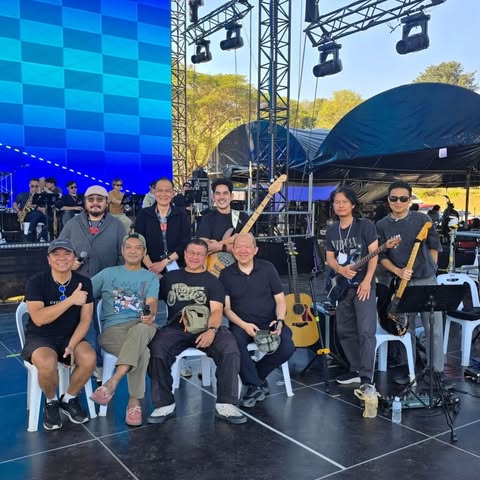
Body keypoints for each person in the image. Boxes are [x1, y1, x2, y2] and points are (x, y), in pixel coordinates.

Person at [147, 239, 247, 425]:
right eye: (191, 253)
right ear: (185, 254)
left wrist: (212, 330)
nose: (195, 257)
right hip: (176, 329)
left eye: (200, 254)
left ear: (206, 256)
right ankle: (164, 404)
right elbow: (151, 298)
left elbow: (217, 311)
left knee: (229, 347)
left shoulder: (213, 281)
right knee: (157, 348)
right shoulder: (170, 278)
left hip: (206, 327)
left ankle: (226, 404)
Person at [21, 238, 96, 430]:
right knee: (47, 362)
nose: (62, 258)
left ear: (74, 258)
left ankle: (69, 398)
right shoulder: (36, 282)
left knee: (89, 358)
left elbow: (86, 320)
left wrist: (72, 345)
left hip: (70, 336)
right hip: (40, 337)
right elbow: (39, 318)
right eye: (56, 254)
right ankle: (51, 401)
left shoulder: (84, 282)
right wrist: (71, 300)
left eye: (67, 254)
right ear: (49, 259)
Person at [376, 181, 446, 384]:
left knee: (434, 328)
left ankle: (436, 372)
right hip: (400, 283)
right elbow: (381, 256)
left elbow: (434, 246)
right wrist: (397, 271)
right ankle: (411, 372)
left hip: (426, 280)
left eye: (403, 198)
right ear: (388, 200)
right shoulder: (381, 225)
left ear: (409, 199)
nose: (398, 202)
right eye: (394, 198)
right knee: (406, 328)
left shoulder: (422, 219)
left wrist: (431, 269)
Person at [90, 233, 159, 427]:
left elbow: (152, 302)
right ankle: (134, 402)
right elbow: (85, 292)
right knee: (143, 353)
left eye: (138, 248)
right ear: (122, 251)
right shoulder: (107, 274)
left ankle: (112, 382)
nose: (133, 251)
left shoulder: (150, 278)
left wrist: (150, 313)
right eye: (129, 247)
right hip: (114, 330)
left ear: (144, 252)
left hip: (143, 325)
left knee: (141, 329)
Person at [219, 233, 295, 407]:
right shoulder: (226, 274)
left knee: (287, 346)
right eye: (238, 246)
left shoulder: (267, 268)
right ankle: (256, 384)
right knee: (233, 342)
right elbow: (226, 309)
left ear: (255, 250)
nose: (243, 250)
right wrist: (244, 325)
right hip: (241, 324)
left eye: (247, 247)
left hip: (270, 322)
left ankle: (255, 379)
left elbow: (280, 300)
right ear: (232, 250)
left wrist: (280, 320)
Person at [325, 186, 378, 390]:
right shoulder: (332, 230)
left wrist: (367, 280)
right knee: (344, 330)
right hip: (342, 287)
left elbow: (374, 255)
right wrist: (340, 269)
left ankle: (366, 377)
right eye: (336, 202)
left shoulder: (365, 225)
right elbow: (329, 257)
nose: (340, 205)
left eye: (344, 202)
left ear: (353, 205)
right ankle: (355, 369)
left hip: (363, 286)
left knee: (365, 331)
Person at [59, 185, 124, 278]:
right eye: (91, 199)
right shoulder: (72, 224)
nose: (95, 203)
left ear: (107, 203)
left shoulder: (117, 225)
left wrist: (117, 276)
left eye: (100, 200)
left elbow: (123, 255)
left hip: (109, 282)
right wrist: (68, 262)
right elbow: (59, 250)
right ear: (85, 202)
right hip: (79, 281)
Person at [135, 177, 191, 277]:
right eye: (160, 190)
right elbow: (139, 243)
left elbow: (185, 243)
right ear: (154, 192)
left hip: (176, 267)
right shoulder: (144, 214)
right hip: (149, 268)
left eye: (167, 191)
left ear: (173, 193)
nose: (163, 194)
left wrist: (163, 263)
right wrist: (152, 269)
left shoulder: (182, 214)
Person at [196, 178, 249, 254]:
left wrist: (220, 246)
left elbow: (248, 247)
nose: (221, 197)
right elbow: (203, 247)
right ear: (213, 197)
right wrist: (230, 241)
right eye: (218, 193)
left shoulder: (243, 217)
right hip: (213, 261)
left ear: (231, 196)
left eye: (225, 193)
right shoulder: (207, 218)